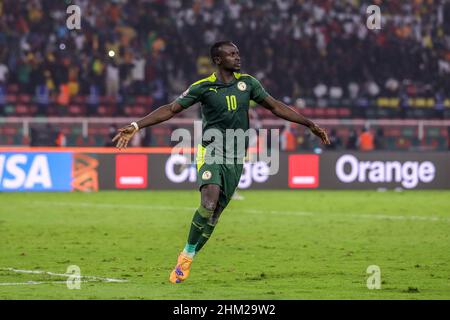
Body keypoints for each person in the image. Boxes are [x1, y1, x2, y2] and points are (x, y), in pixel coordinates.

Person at [112, 41, 330, 284]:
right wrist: (136, 125)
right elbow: (171, 109)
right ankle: (185, 258)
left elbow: (276, 106)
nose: (238, 57)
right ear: (218, 59)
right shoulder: (203, 87)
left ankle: (189, 254)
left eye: (238, 52)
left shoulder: (248, 83)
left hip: (236, 157)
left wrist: (309, 123)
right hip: (211, 151)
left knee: (214, 216)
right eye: (232, 54)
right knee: (208, 201)